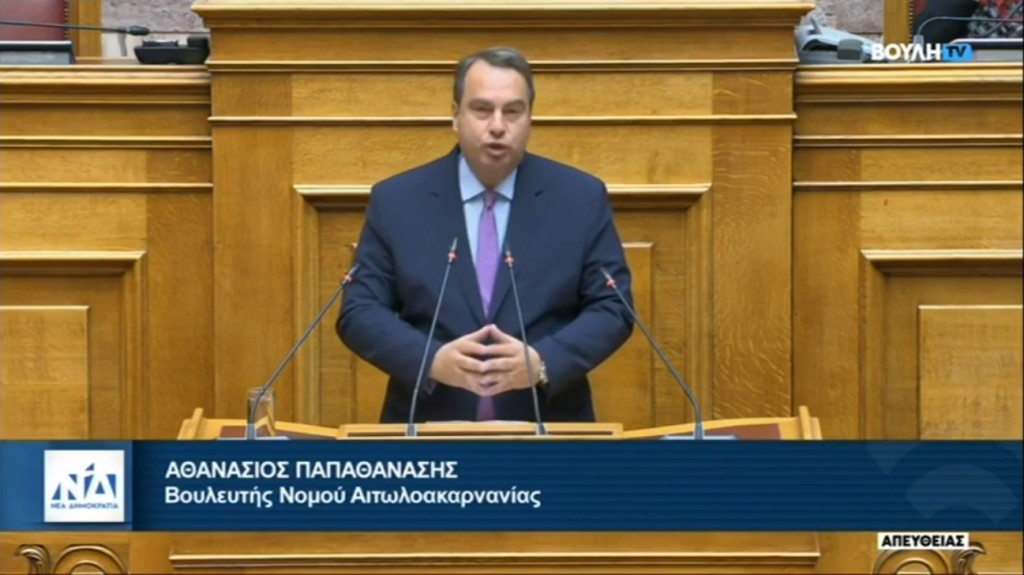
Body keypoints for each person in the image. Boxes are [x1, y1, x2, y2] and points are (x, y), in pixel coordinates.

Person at [337, 46, 634, 424]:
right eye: (482, 109)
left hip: (549, 430)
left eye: (512, 111)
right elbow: (359, 310)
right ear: (455, 116)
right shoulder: (398, 201)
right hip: (427, 431)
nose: (497, 126)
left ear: (530, 119)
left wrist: (544, 362)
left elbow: (613, 307)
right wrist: (430, 359)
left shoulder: (579, 198)